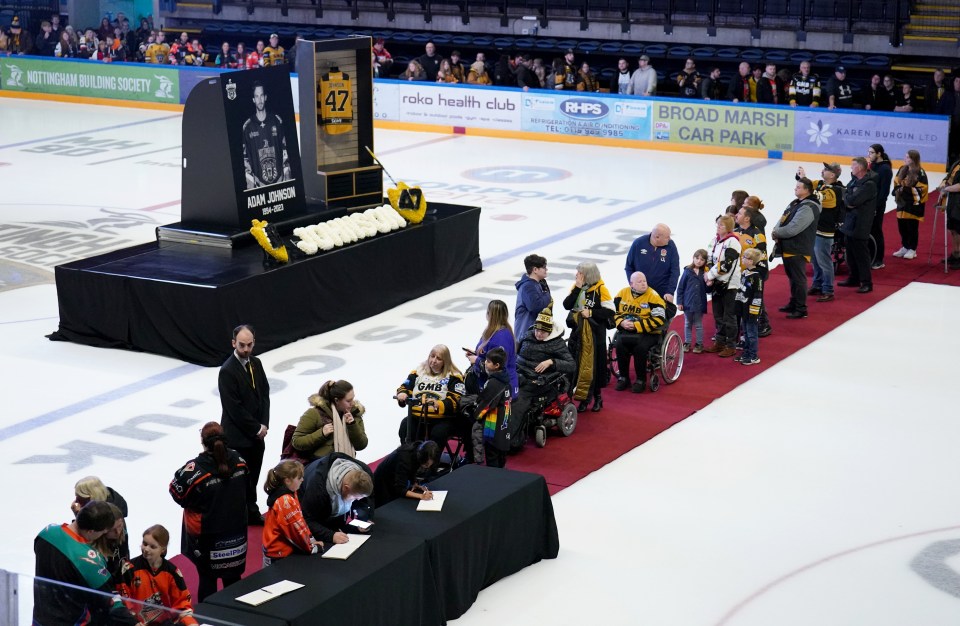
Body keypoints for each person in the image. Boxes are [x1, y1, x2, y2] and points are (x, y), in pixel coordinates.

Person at [169, 422, 248, 602]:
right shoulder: (240, 461)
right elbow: (248, 490)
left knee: (207, 580)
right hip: (237, 534)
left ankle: (207, 619)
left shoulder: (194, 470)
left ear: (203, 442)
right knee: (234, 580)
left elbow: (176, 492)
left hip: (207, 538)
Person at [34, 501, 134, 626]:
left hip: (40, 618)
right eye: (102, 532)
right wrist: (133, 623)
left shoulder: (46, 533)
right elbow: (110, 601)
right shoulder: (88, 560)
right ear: (91, 531)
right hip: (71, 621)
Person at [219, 324, 270, 524]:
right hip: (238, 438)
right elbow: (234, 408)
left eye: (249, 345)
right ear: (234, 343)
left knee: (254, 477)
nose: (246, 349)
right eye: (242, 345)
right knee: (240, 480)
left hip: (257, 435)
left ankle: (251, 510)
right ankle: (240, 513)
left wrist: (264, 424)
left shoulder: (256, 363)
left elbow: (264, 395)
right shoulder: (227, 371)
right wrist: (256, 428)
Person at [120, 524, 198, 625]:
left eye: (152, 547)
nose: (146, 549)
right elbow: (123, 601)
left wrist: (191, 623)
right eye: (145, 543)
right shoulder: (129, 569)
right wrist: (133, 622)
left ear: (163, 549)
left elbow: (183, 603)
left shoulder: (173, 572)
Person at [563, 262, 614, 411]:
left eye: (579, 273)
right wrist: (577, 288)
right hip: (578, 334)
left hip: (596, 335)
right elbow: (567, 305)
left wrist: (591, 313)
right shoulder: (576, 287)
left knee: (596, 368)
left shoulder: (601, 289)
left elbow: (610, 311)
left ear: (587, 275)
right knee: (578, 367)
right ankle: (583, 398)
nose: (576, 275)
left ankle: (597, 397)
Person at [513, 304, 576, 419]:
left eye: (543, 332)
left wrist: (552, 362)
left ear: (550, 331)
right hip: (517, 374)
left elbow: (571, 365)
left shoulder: (557, 343)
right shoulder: (527, 335)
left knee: (518, 399)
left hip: (536, 381)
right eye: (537, 330)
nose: (538, 334)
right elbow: (516, 353)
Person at [395, 346, 465, 447]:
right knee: (405, 426)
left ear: (445, 361)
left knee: (438, 433)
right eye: (432, 356)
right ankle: (408, 458)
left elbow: (456, 400)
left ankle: (431, 461)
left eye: (439, 358)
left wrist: (439, 404)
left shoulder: (454, 376)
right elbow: (405, 386)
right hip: (417, 417)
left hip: (441, 419)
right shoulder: (418, 371)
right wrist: (402, 393)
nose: (434, 361)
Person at [772, 177, 821, 319]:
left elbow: (793, 229)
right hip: (789, 247)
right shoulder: (796, 203)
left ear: (807, 190)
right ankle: (794, 303)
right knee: (793, 278)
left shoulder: (809, 207)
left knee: (798, 279)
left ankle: (801, 308)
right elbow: (782, 219)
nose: (795, 189)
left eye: (799, 187)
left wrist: (776, 233)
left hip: (798, 248)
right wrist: (776, 230)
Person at [300, 451, 375, 545]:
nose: (358, 500)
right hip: (308, 494)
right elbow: (306, 520)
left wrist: (365, 519)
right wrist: (331, 535)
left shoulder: (364, 473)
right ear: (346, 488)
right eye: (355, 497)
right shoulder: (317, 491)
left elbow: (367, 499)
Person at [613, 272, 667, 392]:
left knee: (640, 348)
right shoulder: (622, 294)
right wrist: (621, 322)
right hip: (628, 330)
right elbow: (613, 313)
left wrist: (637, 326)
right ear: (631, 284)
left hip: (649, 332)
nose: (643, 284)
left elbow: (659, 319)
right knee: (620, 345)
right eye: (639, 282)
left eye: (644, 281)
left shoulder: (653, 297)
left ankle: (640, 380)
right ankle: (624, 378)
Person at [798, 163, 844, 302]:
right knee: (815, 260)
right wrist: (802, 177)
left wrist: (805, 186)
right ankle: (818, 285)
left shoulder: (835, 191)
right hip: (815, 228)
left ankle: (828, 290)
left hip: (825, 231)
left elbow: (816, 196)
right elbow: (807, 186)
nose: (822, 171)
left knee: (824, 261)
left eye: (826, 169)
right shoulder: (820, 183)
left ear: (832, 174)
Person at [262, 460, 322, 566]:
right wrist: (312, 547)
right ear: (288, 481)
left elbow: (300, 520)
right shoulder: (285, 501)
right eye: (299, 478)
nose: (302, 480)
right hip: (278, 553)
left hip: (276, 549)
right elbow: (295, 529)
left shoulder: (290, 492)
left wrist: (311, 539)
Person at [292, 379, 369, 460]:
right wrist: (321, 433)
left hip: (348, 462)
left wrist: (352, 426)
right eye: (348, 401)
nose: (352, 403)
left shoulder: (354, 413)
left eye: (353, 399)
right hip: (321, 465)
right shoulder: (314, 413)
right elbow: (297, 441)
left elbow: (362, 445)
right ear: (336, 400)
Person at [703, 215, 742, 357]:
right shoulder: (714, 241)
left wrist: (710, 276)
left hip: (729, 284)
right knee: (718, 315)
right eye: (718, 225)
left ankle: (731, 345)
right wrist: (708, 276)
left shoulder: (733, 242)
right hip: (716, 284)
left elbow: (726, 265)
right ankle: (719, 342)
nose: (719, 227)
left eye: (722, 226)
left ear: (729, 228)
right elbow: (708, 260)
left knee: (729, 316)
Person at [839, 157, 879, 293]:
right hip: (850, 221)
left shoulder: (869, 185)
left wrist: (849, 199)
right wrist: (848, 199)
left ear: (861, 168)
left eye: (853, 166)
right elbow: (847, 196)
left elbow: (853, 200)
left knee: (861, 254)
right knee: (850, 252)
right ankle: (854, 278)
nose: (851, 168)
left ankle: (867, 282)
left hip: (861, 223)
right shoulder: (855, 181)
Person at [242, 82, 292, 189]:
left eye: (261, 96)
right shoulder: (248, 127)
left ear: (265, 97)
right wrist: (251, 186)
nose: (259, 100)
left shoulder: (277, 121)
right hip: (259, 185)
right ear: (253, 99)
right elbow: (245, 159)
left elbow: (285, 152)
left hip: (279, 181)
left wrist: (287, 180)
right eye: (256, 96)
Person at [465, 299, 518, 395]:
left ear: (490, 315)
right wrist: (476, 353)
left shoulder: (501, 338)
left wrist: (476, 360)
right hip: (489, 387)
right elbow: (488, 354)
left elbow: (499, 369)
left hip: (501, 391)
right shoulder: (492, 331)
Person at [471, 347, 513, 468]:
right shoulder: (505, 380)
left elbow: (485, 404)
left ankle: (494, 483)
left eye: (488, 361)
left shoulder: (494, 383)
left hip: (493, 429)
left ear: (496, 365)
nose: (485, 363)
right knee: (501, 459)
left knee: (493, 460)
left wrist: (475, 415)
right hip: (504, 428)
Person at [624, 223, 681, 302]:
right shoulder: (638, 244)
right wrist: (634, 285)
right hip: (641, 294)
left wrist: (670, 292)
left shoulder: (670, 246)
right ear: (657, 237)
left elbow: (675, 270)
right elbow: (629, 267)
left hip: (662, 295)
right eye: (667, 237)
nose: (669, 238)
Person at [373, 440, 441, 506]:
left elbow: (412, 468)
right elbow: (400, 489)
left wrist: (414, 482)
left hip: (395, 475)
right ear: (422, 458)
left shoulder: (419, 449)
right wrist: (421, 496)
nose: (428, 467)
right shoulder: (405, 460)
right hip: (382, 481)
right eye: (426, 464)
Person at [891, 149, 929, 260]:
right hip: (902, 204)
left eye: (907, 157)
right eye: (905, 156)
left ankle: (912, 249)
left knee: (912, 227)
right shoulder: (902, 169)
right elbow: (897, 182)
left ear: (914, 159)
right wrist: (898, 190)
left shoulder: (920, 173)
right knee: (902, 227)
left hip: (913, 205)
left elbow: (922, 189)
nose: (905, 158)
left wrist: (904, 190)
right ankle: (905, 246)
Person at [734, 248, 766, 366]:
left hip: (752, 309)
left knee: (752, 333)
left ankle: (753, 355)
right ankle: (746, 352)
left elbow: (758, 295)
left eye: (745, 257)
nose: (742, 258)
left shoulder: (757, 277)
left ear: (751, 261)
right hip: (743, 307)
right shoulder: (744, 272)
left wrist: (754, 312)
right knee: (746, 332)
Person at [677, 249, 709, 353]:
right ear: (693, 258)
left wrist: (709, 283)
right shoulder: (687, 271)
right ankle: (687, 342)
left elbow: (708, 290)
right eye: (697, 258)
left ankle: (699, 344)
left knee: (699, 324)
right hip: (688, 303)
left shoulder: (705, 273)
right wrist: (680, 302)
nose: (699, 261)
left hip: (699, 303)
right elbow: (681, 287)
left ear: (705, 262)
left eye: (702, 259)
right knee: (687, 323)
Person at [867, 144, 894, 269]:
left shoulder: (885, 169)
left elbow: (884, 192)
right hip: (869, 204)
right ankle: (871, 256)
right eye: (869, 152)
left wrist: (876, 207)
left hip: (877, 205)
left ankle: (879, 259)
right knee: (870, 231)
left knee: (876, 231)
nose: (869, 155)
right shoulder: (873, 166)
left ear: (879, 153)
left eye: (872, 152)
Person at [515, 253, 551, 337]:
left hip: (533, 332)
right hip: (526, 334)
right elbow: (535, 306)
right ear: (535, 269)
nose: (546, 269)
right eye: (544, 267)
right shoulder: (528, 286)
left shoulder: (537, 284)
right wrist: (547, 295)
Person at [938, 157, 960, 269]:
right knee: (952, 228)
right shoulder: (957, 162)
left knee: (958, 229)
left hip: (958, 201)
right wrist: (943, 183)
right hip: (952, 201)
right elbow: (949, 176)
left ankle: (958, 256)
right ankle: (955, 253)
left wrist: (947, 189)